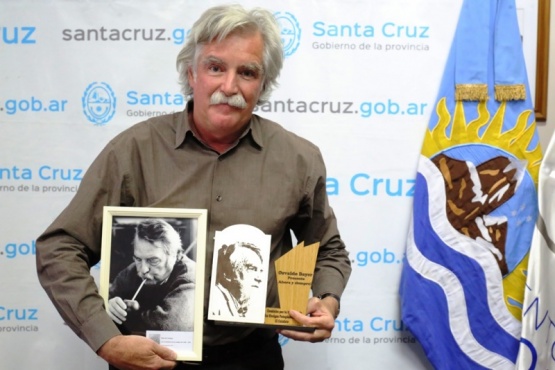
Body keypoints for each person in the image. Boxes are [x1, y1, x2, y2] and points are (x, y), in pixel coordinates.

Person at [36, 4, 351, 370]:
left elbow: (326, 248)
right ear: (191, 73)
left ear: (263, 84)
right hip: (149, 361)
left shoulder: (299, 159)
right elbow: (60, 246)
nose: (229, 87)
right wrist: (104, 336)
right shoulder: (133, 151)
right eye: (215, 67)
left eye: (247, 72)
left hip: (250, 357)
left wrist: (327, 300)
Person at [107, 218, 196, 334]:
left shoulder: (189, 277)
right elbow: (104, 300)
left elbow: (169, 326)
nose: (143, 269)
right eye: (138, 259)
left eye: (153, 260)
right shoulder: (133, 269)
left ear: (175, 255)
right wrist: (111, 305)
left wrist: (129, 315)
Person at [211, 242, 264, 319]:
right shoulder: (215, 302)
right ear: (228, 273)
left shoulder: (250, 310)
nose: (259, 278)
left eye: (260, 271)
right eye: (252, 269)